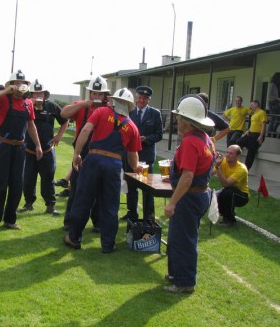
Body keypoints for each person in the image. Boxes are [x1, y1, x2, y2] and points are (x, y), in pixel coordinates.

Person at [63, 88, 142, 253]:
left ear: (114, 101)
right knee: (110, 205)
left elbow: (85, 131)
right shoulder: (133, 127)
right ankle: (108, 244)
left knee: (83, 200)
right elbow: (132, 155)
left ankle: (74, 238)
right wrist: (136, 168)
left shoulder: (101, 112)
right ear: (130, 106)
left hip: (93, 160)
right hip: (114, 165)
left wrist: (77, 154)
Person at [163, 95, 216, 294]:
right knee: (178, 237)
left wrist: (172, 203)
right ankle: (177, 273)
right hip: (199, 194)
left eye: (179, 117)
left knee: (184, 239)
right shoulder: (206, 139)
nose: (177, 120)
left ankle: (185, 282)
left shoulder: (190, 142)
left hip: (190, 197)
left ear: (187, 120)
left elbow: (188, 176)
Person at [0, 70, 43, 231]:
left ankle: (10, 219)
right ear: (11, 84)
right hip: (3, 146)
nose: (19, 86)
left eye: (22, 83)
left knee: (17, 185)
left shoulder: (28, 103)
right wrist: (5, 90)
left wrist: (37, 145)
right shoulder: (3, 99)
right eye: (15, 83)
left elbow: (31, 125)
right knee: (0, 185)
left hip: (20, 148)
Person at [60, 75, 109, 232]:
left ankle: (98, 223)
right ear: (89, 94)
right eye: (94, 93)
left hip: (101, 154)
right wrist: (82, 104)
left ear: (105, 95)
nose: (96, 97)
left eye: (99, 94)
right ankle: (69, 221)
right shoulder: (81, 106)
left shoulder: (110, 109)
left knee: (99, 190)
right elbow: (63, 114)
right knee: (76, 188)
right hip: (82, 153)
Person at [20, 80, 68, 215]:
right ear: (31, 94)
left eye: (40, 92)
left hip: (47, 150)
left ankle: (50, 206)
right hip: (29, 150)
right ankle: (28, 203)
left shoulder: (52, 106)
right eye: (35, 93)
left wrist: (59, 136)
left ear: (45, 93)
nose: (38, 95)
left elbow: (65, 120)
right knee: (28, 179)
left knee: (48, 178)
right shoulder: (26, 106)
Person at [120, 86, 163, 221]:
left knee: (147, 188)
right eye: (139, 97)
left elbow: (159, 134)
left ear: (149, 99)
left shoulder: (155, 114)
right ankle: (132, 213)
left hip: (146, 156)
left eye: (145, 98)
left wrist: (147, 139)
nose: (141, 100)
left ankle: (148, 216)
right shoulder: (130, 112)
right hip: (130, 155)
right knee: (131, 187)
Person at [213, 145, 249, 227]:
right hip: (228, 190)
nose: (227, 155)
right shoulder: (223, 161)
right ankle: (224, 214)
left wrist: (217, 167)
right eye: (227, 152)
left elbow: (226, 184)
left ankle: (229, 219)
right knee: (214, 195)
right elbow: (210, 173)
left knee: (228, 191)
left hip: (242, 196)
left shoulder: (241, 169)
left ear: (238, 156)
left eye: (231, 153)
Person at [236, 100, 267, 170]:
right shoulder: (253, 114)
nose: (251, 107)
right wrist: (248, 131)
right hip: (251, 134)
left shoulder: (262, 112)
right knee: (239, 141)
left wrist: (261, 136)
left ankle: (246, 169)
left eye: (252, 105)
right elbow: (253, 125)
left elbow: (263, 125)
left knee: (251, 152)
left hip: (257, 135)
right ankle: (237, 161)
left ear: (256, 104)